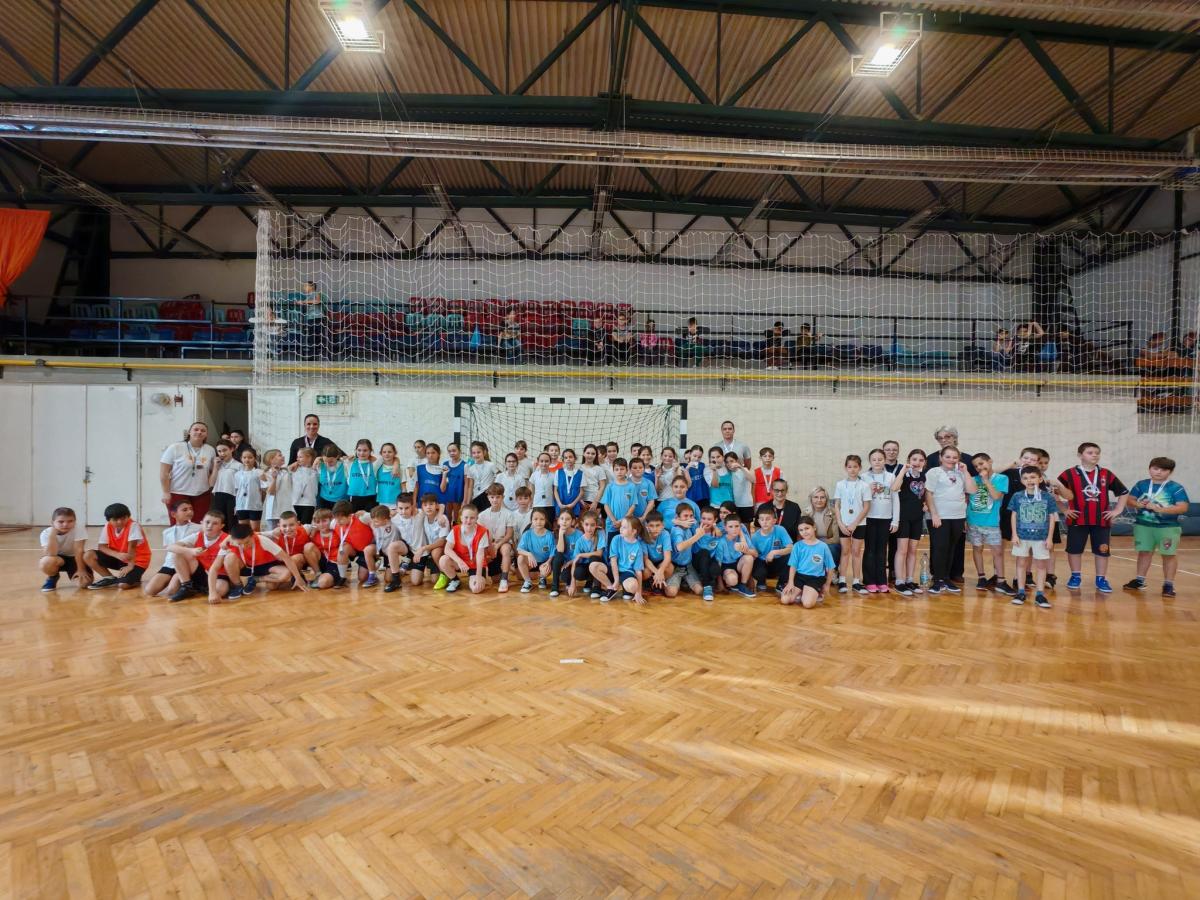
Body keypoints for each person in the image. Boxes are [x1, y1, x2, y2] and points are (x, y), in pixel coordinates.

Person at [1058, 442, 1129, 594]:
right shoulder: (1068, 474)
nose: (1095, 455)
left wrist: (1118, 509)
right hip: (1077, 519)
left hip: (1101, 520)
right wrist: (1064, 509)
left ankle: (1101, 579)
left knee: (1102, 550)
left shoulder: (1106, 474)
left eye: (1097, 452)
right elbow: (1053, 491)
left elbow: (1123, 492)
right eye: (1090, 452)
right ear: (1080, 455)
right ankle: (1075, 576)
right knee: (1074, 550)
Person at [1124, 456, 1188, 598]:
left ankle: (1168, 585)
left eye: (1163, 470)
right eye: (1155, 468)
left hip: (1167, 528)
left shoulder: (1175, 488)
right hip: (1143, 526)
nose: (1159, 472)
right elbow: (1129, 500)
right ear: (1150, 469)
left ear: (1170, 472)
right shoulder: (1141, 484)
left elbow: (1183, 507)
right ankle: (1140, 581)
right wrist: (1138, 504)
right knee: (1144, 552)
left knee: (1168, 555)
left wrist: (1160, 509)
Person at [927, 426, 975, 584]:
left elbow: (972, 489)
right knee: (940, 546)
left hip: (958, 514)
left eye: (955, 457)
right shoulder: (933, 467)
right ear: (941, 458)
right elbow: (928, 492)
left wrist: (965, 472)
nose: (951, 459)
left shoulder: (963, 468)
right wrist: (933, 513)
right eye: (947, 457)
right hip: (940, 514)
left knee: (954, 546)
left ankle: (950, 576)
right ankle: (938, 577)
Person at [1007, 466, 1057, 609]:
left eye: (1033, 477)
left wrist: (1050, 538)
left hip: (1041, 537)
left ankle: (1040, 594)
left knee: (1041, 565)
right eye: (1026, 478)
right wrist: (1014, 534)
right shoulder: (1017, 496)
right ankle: (1021, 592)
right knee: (1021, 563)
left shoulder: (1047, 497)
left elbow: (1052, 518)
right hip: (1022, 537)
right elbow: (1014, 515)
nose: (1029, 480)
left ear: (1040, 479)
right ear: (1022, 480)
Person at [218, 524, 308, 602]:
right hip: (247, 567)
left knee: (283, 577)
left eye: (247, 542)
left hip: (266, 566)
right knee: (229, 558)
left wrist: (298, 577)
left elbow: (286, 558)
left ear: (253, 535)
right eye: (240, 544)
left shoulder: (263, 540)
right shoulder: (230, 541)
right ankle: (238, 586)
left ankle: (256, 579)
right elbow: (215, 566)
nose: (244, 546)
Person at [966, 453, 1013, 594]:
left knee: (997, 552)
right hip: (973, 521)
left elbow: (997, 496)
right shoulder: (972, 480)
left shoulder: (1002, 478)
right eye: (976, 466)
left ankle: (1001, 581)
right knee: (977, 549)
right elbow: (967, 499)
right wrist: (965, 519)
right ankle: (981, 577)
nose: (979, 467)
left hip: (992, 522)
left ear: (990, 461)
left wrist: (986, 480)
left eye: (981, 463)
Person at [165, 510, 231, 602]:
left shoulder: (226, 539)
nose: (209, 526)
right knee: (171, 590)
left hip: (219, 574)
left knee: (220, 591)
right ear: (202, 523)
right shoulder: (197, 536)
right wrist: (190, 551)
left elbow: (216, 568)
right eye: (207, 522)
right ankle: (187, 586)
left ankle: (200, 588)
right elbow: (170, 547)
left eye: (215, 523)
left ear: (222, 526)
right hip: (201, 572)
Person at [84, 502, 150, 591]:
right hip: (120, 558)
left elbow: (132, 547)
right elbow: (102, 546)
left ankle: (134, 580)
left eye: (123, 518)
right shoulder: (107, 526)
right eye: (115, 520)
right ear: (109, 520)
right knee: (88, 555)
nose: (120, 522)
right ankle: (109, 578)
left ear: (128, 517)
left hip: (137, 561)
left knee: (123, 585)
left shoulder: (133, 525)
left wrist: (130, 566)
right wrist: (117, 554)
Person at [159, 421, 215, 524]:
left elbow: (212, 472)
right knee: (178, 523)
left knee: (199, 525)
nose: (199, 432)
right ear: (189, 432)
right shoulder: (175, 447)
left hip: (202, 493)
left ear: (206, 434)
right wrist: (166, 492)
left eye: (203, 430)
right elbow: (164, 472)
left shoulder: (210, 450)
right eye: (196, 429)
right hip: (178, 492)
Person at [143, 500, 201, 598]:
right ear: (174, 514)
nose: (189, 512)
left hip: (185, 563)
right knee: (149, 591)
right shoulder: (167, 532)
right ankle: (172, 579)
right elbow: (169, 551)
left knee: (171, 591)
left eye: (191, 509)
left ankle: (186, 583)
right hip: (169, 564)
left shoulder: (199, 528)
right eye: (185, 510)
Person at [890, 450, 928, 597]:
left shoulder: (924, 476)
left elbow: (924, 494)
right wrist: (903, 471)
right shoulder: (904, 474)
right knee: (902, 550)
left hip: (917, 518)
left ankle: (909, 579)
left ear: (924, 462)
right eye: (914, 459)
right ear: (908, 460)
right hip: (903, 518)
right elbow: (893, 488)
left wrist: (925, 504)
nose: (917, 462)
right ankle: (899, 581)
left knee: (913, 550)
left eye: (921, 460)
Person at [861, 449, 898, 594]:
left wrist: (895, 520)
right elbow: (860, 498)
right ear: (870, 461)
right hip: (869, 518)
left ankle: (882, 581)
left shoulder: (890, 476)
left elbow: (895, 498)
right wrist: (869, 490)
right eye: (874, 459)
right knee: (870, 550)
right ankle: (869, 581)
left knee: (882, 550)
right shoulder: (864, 477)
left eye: (880, 459)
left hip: (885, 518)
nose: (877, 462)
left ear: (885, 460)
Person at [833, 454, 871, 595]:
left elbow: (866, 507)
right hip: (844, 524)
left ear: (860, 468)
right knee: (845, 551)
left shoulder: (864, 485)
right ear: (845, 468)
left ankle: (856, 581)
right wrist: (840, 523)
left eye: (855, 467)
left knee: (856, 552)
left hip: (859, 524)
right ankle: (842, 580)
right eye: (850, 467)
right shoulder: (840, 484)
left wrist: (855, 523)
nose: (852, 469)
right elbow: (837, 505)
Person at [781, 516, 836, 609]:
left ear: (814, 527)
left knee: (807, 604)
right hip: (799, 577)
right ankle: (802, 591)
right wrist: (790, 582)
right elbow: (793, 566)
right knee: (785, 600)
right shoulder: (797, 546)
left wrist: (827, 585)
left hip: (815, 578)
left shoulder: (823, 546)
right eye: (801, 530)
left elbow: (831, 567)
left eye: (807, 528)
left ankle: (809, 593)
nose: (804, 532)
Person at [439, 505, 490, 594]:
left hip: (475, 565)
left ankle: (477, 577)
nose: (468, 521)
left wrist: (478, 575)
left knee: (476, 589)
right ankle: (455, 580)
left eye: (472, 518)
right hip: (461, 563)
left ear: (477, 518)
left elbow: (480, 555)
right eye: (466, 517)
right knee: (443, 560)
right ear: (461, 518)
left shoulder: (482, 532)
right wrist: (459, 561)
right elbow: (447, 549)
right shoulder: (455, 530)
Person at [39, 506, 90, 592]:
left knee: (84, 583)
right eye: (61, 521)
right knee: (46, 561)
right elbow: (51, 554)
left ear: (75, 521)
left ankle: (77, 575)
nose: (65, 524)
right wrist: (52, 535)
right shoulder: (46, 533)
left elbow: (79, 550)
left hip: (74, 558)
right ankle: (53, 577)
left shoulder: (79, 529)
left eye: (70, 521)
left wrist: (81, 570)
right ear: (52, 522)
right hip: (58, 558)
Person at [331, 499, 378, 587]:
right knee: (342, 548)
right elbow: (318, 526)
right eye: (336, 518)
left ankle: (374, 567)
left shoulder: (362, 517)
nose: (338, 522)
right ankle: (342, 577)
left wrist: (368, 513)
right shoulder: (334, 523)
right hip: (353, 549)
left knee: (362, 578)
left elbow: (379, 516)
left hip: (367, 549)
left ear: (349, 516)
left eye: (341, 519)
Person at [749, 506, 793, 594]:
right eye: (762, 519)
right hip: (763, 562)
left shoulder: (780, 530)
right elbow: (754, 555)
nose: (765, 522)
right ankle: (761, 581)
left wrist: (774, 552)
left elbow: (791, 548)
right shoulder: (755, 537)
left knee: (790, 556)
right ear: (758, 521)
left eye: (768, 519)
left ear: (774, 521)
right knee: (753, 561)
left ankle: (781, 583)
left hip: (777, 562)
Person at [604, 516, 647, 604]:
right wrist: (616, 580)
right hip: (614, 569)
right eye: (621, 526)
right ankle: (613, 588)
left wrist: (638, 592)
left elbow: (638, 571)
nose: (621, 529)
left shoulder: (638, 547)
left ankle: (623, 588)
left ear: (634, 531)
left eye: (624, 527)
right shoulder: (616, 539)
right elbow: (613, 561)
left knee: (633, 586)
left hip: (626, 573)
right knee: (594, 567)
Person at [713, 516, 756, 597]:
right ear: (725, 528)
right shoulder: (721, 541)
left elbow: (755, 554)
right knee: (732, 580)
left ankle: (743, 585)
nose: (734, 529)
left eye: (737, 526)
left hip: (739, 565)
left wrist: (744, 550)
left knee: (749, 557)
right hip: (727, 567)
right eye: (730, 527)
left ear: (740, 527)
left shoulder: (743, 537)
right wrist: (720, 583)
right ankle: (731, 582)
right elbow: (718, 563)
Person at [517, 508, 555, 592]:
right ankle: (528, 582)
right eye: (536, 519)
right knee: (520, 558)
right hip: (532, 562)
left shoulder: (549, 535)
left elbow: (553, 552)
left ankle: (542, 578)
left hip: (544, 562)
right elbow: (519, 550)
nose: (539, 522)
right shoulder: (527, 534)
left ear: (545, 520)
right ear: (531, 521)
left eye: (542, 519)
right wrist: (529, 554)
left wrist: (548, 562)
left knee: (545, 569)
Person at [641, 511, 674, 596]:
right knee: (646, 572)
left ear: (663, 525)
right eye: (651, 525)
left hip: (660, 562)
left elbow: (668, 557)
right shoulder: (643, 536)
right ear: (646, 526)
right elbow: (645, 559)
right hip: (648, 563)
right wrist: (657, 572)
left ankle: (656, 584)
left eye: (657, 525)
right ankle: (647, 582)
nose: (655, 529)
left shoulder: (665, 534)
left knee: (670, 568)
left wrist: (661, 571)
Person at [261, 449, 293, 532]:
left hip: (287, 507)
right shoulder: (265, 474)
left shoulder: (286, 472)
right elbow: (270, 492)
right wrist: (274, 479)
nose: (283, 456)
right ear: (271, 459)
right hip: (273, 510)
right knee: (274, 533)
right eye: (280, 455)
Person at [464, 441, 501, 512]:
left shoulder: (491, 465)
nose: (476, 455)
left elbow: (499, 475)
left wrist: (492, 486)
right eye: (474, 453)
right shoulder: (470, 468)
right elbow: (470, 487)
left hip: (487, 496)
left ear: (484, 452)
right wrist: (468, 502)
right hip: (476, 497)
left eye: (478, 452)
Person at [233, 447, 265, 531]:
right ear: (241, 458)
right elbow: (236, 490)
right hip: (241, 505)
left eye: (250, 457)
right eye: (244, 457)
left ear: (255, 458)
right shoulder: (237, 474)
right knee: (243, 529)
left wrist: (261, 501)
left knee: (255, 529)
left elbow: (263, 489)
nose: (247, 460)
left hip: (255, 505)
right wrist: (236, 505)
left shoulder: (259, 472)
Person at [346, 439, 380, 514]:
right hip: (354, 497)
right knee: (355, 519)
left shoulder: (374, 464)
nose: (362, 453)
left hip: (371, 497)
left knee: (370, 519)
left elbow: (386, 458)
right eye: (359, 450)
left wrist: (396, 463)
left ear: (370, 451)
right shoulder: (350, 463)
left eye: (365, 450)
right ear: (355, 450)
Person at [296, 280, 326, 360]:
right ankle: (313, 356)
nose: (304, 288)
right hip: (310, 318)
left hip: (318, 318)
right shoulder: (308, 296)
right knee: (312, 338)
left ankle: (328, 356)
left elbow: (317, 301)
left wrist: (304, 302)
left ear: (312, 287)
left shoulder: (315, 293)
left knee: (322, 337)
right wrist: (300, 303)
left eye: (306, 286)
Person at [316, 443, 350, 510]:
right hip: (324, 500)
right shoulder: (319, 466)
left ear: (337, 456)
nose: (328, 464)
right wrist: (314, 464)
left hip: (341, 501)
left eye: (331, 461)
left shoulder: (345, 465)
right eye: (325, 461)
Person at [291, 447, 319, 524]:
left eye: (300, 457)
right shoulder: (295, 470)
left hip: (309, 503)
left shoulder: (316, 470)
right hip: (295, 502)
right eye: (297, 457)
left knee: (306, 526)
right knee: (295, 525)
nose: (297, 459)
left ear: (309, 458)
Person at [554, 448, 584, 516]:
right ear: (563, 460)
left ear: (575, 458)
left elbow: (582, 492)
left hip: (574, 506)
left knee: (573, 521)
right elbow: (555, 490)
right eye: (566, 457)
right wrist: (559, 504)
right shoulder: (558, 472)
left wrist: (573, 504)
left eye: (570, 457)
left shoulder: (580, 473)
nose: (568, 459)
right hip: (561, 506)